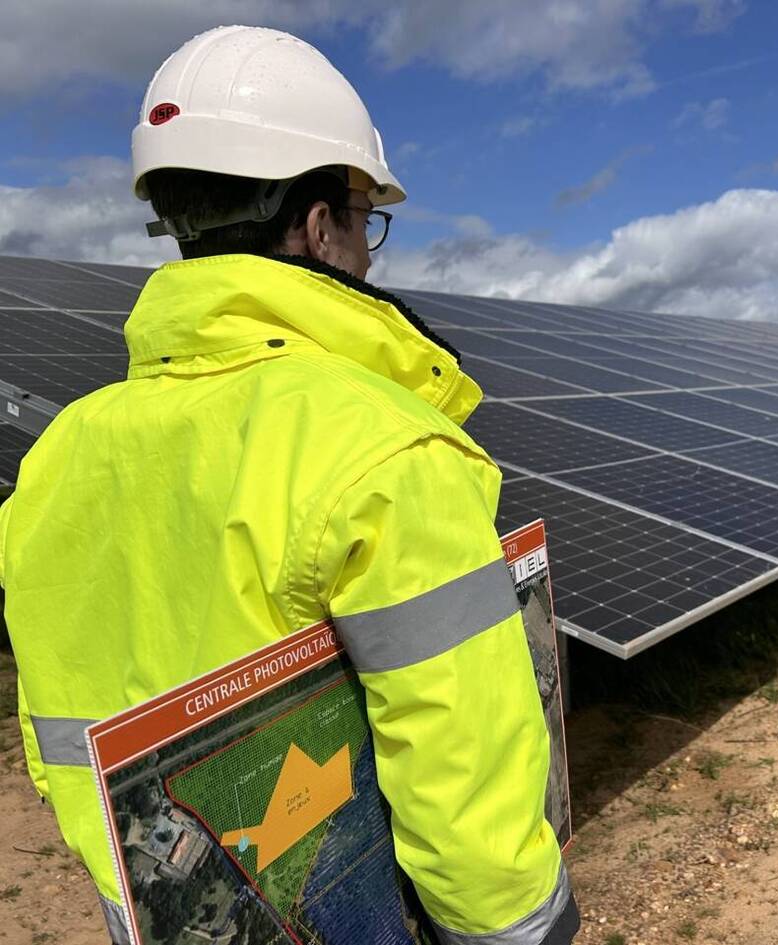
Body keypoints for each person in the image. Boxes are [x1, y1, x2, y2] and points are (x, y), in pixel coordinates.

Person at [0, 25, 578, 945]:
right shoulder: (379, 444)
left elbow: (64, 735)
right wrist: (520, 926)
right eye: (363, 220)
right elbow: (457, 759)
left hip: (169, 909)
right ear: (319, 226)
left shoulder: (57, 456)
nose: (370, 251)